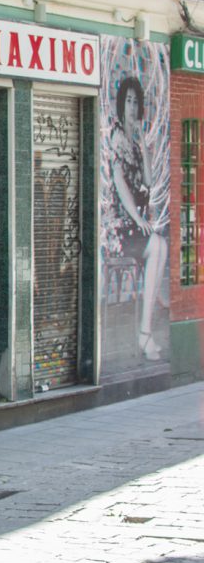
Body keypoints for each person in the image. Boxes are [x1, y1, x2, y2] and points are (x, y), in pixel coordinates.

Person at [109, 76, 167, 360]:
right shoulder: (117, 136)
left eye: (136, 103)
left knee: (161, 246)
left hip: (133, 227)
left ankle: (146, 331)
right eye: (128, 101)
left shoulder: (133, 143)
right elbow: (120, 184)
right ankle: (144, 333)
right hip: (119, 230)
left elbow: (148, 180)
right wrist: (137, 218)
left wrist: (144, 146)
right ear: (122, 105)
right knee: (157, 245)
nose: (132, 107)